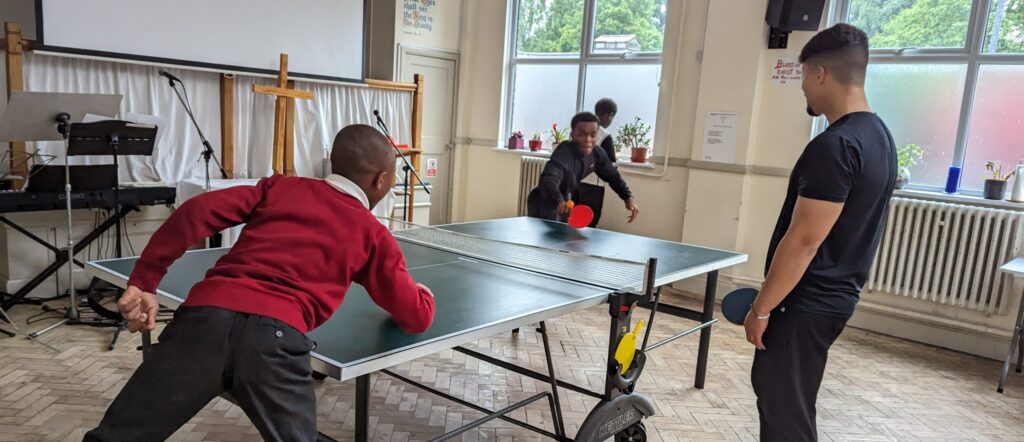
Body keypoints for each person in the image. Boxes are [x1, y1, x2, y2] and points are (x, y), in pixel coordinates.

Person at [85, 125, 436, 442]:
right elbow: (414, 315)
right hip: (276, 342)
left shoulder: (281, 188)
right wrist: (424, 296)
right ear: (382, 180)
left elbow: (194, 212)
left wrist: (146, 280)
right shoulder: (373, 234)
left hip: (202, 323)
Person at [745, 24, 896, 441]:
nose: (803, 89)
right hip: (834, 299)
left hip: (806, 304)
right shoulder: (880, 137)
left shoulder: (836, 145)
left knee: (784, 414)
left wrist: (761, 308)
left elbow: (805, 240)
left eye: (804, 76)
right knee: (790, 403)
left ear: (821, 74)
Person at [527, 111, 638, 224]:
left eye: (592, 135)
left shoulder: (597, 153)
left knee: (564, 236)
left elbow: (613, 176)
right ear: (572, 135)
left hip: (565, 202)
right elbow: (548, 179)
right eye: (582, 134)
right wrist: (558, 201)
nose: (588, 139)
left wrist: (628, 197)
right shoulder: (564, 153)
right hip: (543, 201)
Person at [576, 98, 620, 227]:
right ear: (609, 115)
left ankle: (566, 247)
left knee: (573, 222)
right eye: (612, 118)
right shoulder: (605, 138)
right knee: (588, 225)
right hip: (592, 188)